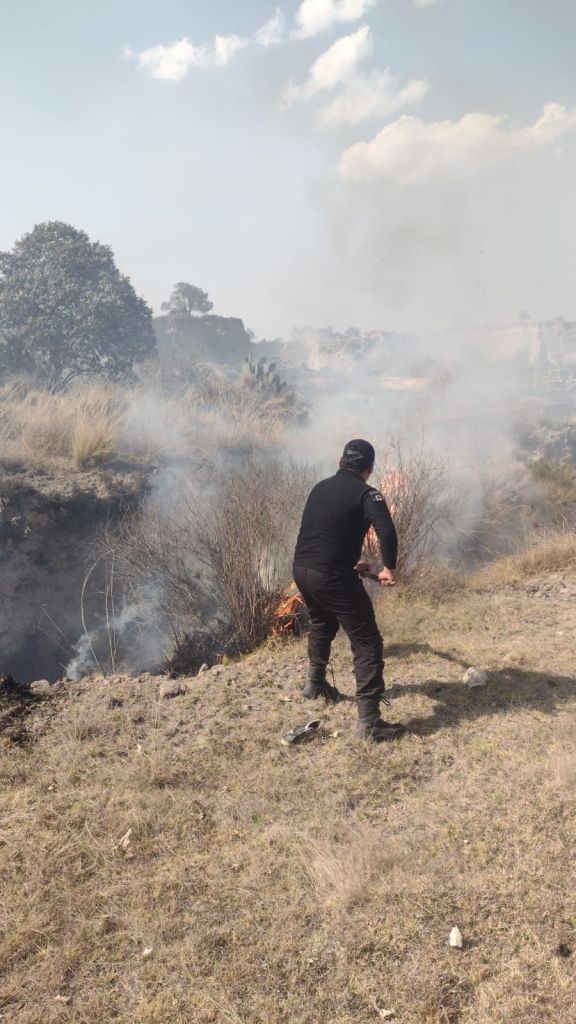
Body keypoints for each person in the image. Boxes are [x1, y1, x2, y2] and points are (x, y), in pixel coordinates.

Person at [293, 439, 406, 742]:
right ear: (368, 468)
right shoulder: (367, 494)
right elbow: (387, 531)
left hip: (303, 570)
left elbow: (323, 530)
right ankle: (369, 723)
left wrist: (351, 561)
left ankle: (314, 684)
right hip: (330, 575)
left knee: (322, 623)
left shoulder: (320, 487)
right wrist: (389, 568)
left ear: (341, 461)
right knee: (367, 641)